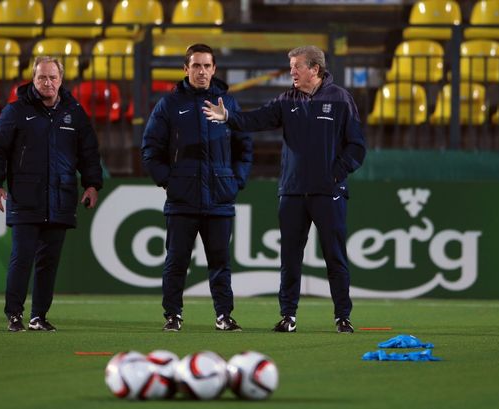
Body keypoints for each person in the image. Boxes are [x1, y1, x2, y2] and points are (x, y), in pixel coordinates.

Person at [203, 45, 366, 333]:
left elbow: (357, 146)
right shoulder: (285, 100)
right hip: (291, 192)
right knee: (290, 258)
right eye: (291, 66)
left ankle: (343, 317)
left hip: (329, 193)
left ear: (314, 69)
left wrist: (335, 174)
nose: (291, 71)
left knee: (335, 256)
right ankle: (288, 315)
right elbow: (256, 119)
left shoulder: (340, 99)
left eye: (297, 66)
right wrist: (228, 117)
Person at [0, 56, 103, 332]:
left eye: (52, 77)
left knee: (48, 263)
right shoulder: (15, 111)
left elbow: (89, 153)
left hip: (60, 197)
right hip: (25, 198)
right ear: (33, 79)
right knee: (21, 258)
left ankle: (39, 316)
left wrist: (92, 184)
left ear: (61, 80)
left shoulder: (75, 112)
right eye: (42, 78)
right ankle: (14, 315)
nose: (47, 82)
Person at [141, 43, 253, 332]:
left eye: (206, 66)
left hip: (219, 197)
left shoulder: (229, 104)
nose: (201, 71)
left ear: (214, 69)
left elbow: (245, 148)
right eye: (196, 66)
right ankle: (173, 316)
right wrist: (170, 181)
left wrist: (235, 181)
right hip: (182, 199)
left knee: (220, 262)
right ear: (186, 69)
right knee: (176, 261)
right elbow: (150, 149)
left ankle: (223, 316)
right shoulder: (169, 105)